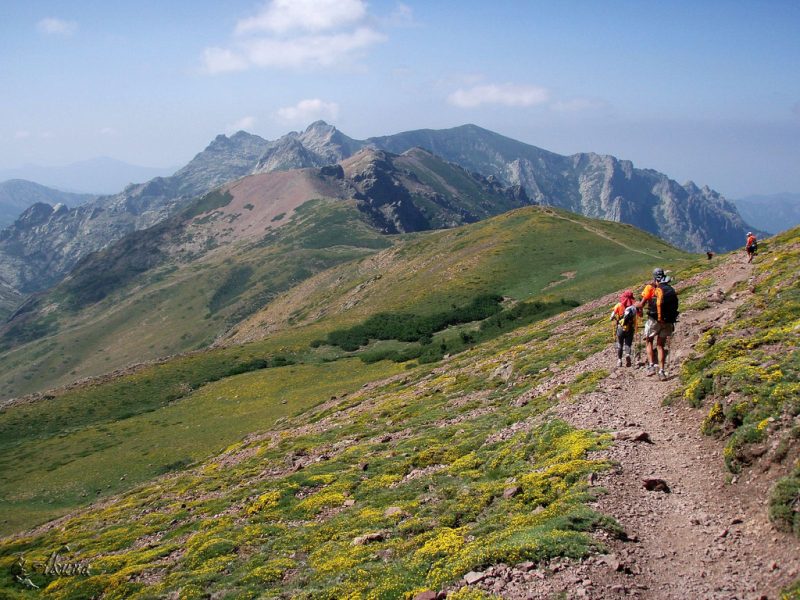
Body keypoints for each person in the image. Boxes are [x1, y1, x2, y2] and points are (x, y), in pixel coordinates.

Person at [637, 268, 679, 381]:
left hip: (654, 320)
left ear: (655, 278)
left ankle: (651, 366)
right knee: (660, 346)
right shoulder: (669, 289)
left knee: (649, 340)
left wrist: (637, 307)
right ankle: (662, 371)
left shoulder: (651, 289)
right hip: (668, 321)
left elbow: (641, 305)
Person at [610, 290, 637, 367]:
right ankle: (628, 354)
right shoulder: (633, 307)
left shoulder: (618, 305)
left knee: (620, 344)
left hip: (620, 328)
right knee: (628, 344)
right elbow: (638, 316)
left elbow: (611, 317)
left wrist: (615, 318)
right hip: (630, 328)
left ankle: (619, 361)